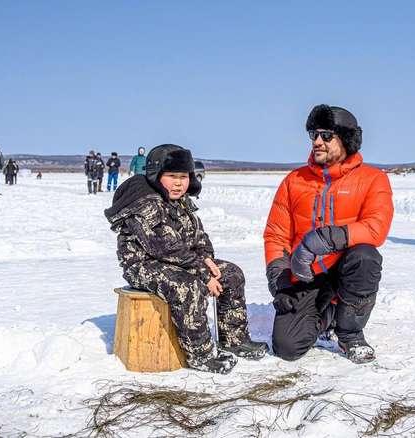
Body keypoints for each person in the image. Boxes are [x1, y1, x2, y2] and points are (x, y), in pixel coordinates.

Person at [104, 144, 268, 374]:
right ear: (156, 176)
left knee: (231, 274)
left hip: (181, 259)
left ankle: (234, 339)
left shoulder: (181, 201)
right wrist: (202, 271)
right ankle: (201, 354)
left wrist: (207, 259)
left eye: (184, 176)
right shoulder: (144, 204)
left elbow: (198, 236)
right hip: (144, 264)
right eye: (172, 176)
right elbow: (165, 247)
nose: (179, 183)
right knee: (188, 285)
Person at [263, 104, 394, 364]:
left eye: (326, 135)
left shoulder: (373, 178)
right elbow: (276, 235)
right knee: (287, 347)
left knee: (365, 255)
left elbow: (376, 228)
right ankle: (330, 314)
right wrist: (280, 281)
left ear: (345, 140)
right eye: (314, 134)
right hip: (306, 273)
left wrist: (318, 240)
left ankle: (350, 333)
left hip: (346, 267)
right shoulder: (294, 180)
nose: (317, 141)